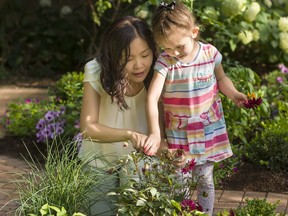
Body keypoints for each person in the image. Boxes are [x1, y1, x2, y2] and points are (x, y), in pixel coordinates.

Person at [144, 1, 248, 215]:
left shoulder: (209, 54)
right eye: (166, 47)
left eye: (179, 46)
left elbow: (222, 78)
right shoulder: (165, 62)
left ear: (194, 32)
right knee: (179, 184)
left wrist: (235, 93)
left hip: (207, 130)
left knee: (205, 180)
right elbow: (152, 97)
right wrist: (156, 133)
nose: (174, 52)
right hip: (179, 134)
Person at [79, 16, 158, 216]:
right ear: (113, 57)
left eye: (145, 55)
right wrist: (129, 134)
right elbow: (88, 128)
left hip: (139, 165)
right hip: (99, 163)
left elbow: (161, 133)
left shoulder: (159, 74)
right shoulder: (96, 71)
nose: (139, 65)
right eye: (128, 59)